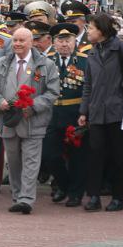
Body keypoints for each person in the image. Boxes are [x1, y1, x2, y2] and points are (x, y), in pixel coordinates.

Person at [79, 13, 123, 212]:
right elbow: (88, 85)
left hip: (117, 109)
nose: (88, 31)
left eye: (91, 28)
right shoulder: (92, 52)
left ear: (101, 30)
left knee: (119, 155)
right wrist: (84, 110)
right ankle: (94, 197)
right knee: (95, 155)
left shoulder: (121, 48)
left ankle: (118, 198)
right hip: (97, 111)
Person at [0, 26, 61, 213]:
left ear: (31, 42)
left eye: (22, 40)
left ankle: (27, 199)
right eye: (15, 40)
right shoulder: (1, 63)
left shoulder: (46, 64)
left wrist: (34, 106)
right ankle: (17, 195)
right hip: (9, 120)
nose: (18, 44)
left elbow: (53, 92)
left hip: (33, 121)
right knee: (13, 161)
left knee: (31, 160)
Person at [45, 22, 90, 207]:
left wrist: (85, 112)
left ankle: (75, 193)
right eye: (60, 41)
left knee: (78, 156)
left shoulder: (85, 60)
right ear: (54, 42)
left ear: (75, 41)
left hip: (75, 113)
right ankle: (63, 185)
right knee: (50, 155)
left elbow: (90, 88)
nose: (64, 45)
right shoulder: (46, 60)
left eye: (68, 40)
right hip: (52, 113)